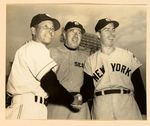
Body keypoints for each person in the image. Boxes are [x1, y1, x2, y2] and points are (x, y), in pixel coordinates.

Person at [6, 14, 80, 119]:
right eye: (45, 26)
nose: (50, 31)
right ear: (33, 30)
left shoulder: (31, 48)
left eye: (52, 28)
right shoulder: (34, 48)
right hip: (28, 107)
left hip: (34, 106)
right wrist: (72, 99)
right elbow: (50, 84)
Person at [80, 18, 146, 120]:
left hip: (126, 104)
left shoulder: (128, 55)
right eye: (107, 30)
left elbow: (139, 86)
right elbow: (87, 90)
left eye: (113, 29)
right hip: (101, 106)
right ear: (98, 34)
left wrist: (144, 112)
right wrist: (74, 98)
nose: (111, 33)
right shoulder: (90, 60)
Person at [46, 21, 91, 119]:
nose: (76, 35)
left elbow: (90, 84)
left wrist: (82, 97)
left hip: (80, 105)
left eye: (79, 33)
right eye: (72, 31)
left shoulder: (87, 57)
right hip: (57, 104)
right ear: (64, 34)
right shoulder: (51, 53)